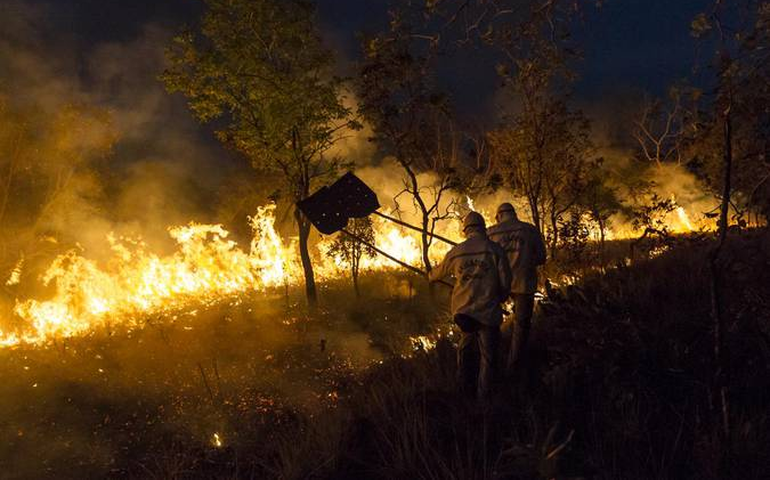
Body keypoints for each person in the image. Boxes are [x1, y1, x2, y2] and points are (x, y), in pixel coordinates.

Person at [429, 211, 511, 400]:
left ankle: (463, 392)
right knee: (488, 358)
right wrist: (501, 297)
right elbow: (506, 282)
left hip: (464, 312)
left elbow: (438, 273)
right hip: (488, 311)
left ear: (466, 230)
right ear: (483, 228)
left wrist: (429, 275)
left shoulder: (457, 251)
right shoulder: (495, 250)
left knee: (465, 350)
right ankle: (484, 398)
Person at [487, 203, 546, 372]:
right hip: (524, 282)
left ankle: (492, 363)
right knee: (521, 325)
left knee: (491, 323)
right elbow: (541, 257)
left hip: (498, 284)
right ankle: (514, 366)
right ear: (514, 213)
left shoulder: (491, 232)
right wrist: (526, 260)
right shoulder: (530, 230)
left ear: (499, 216)